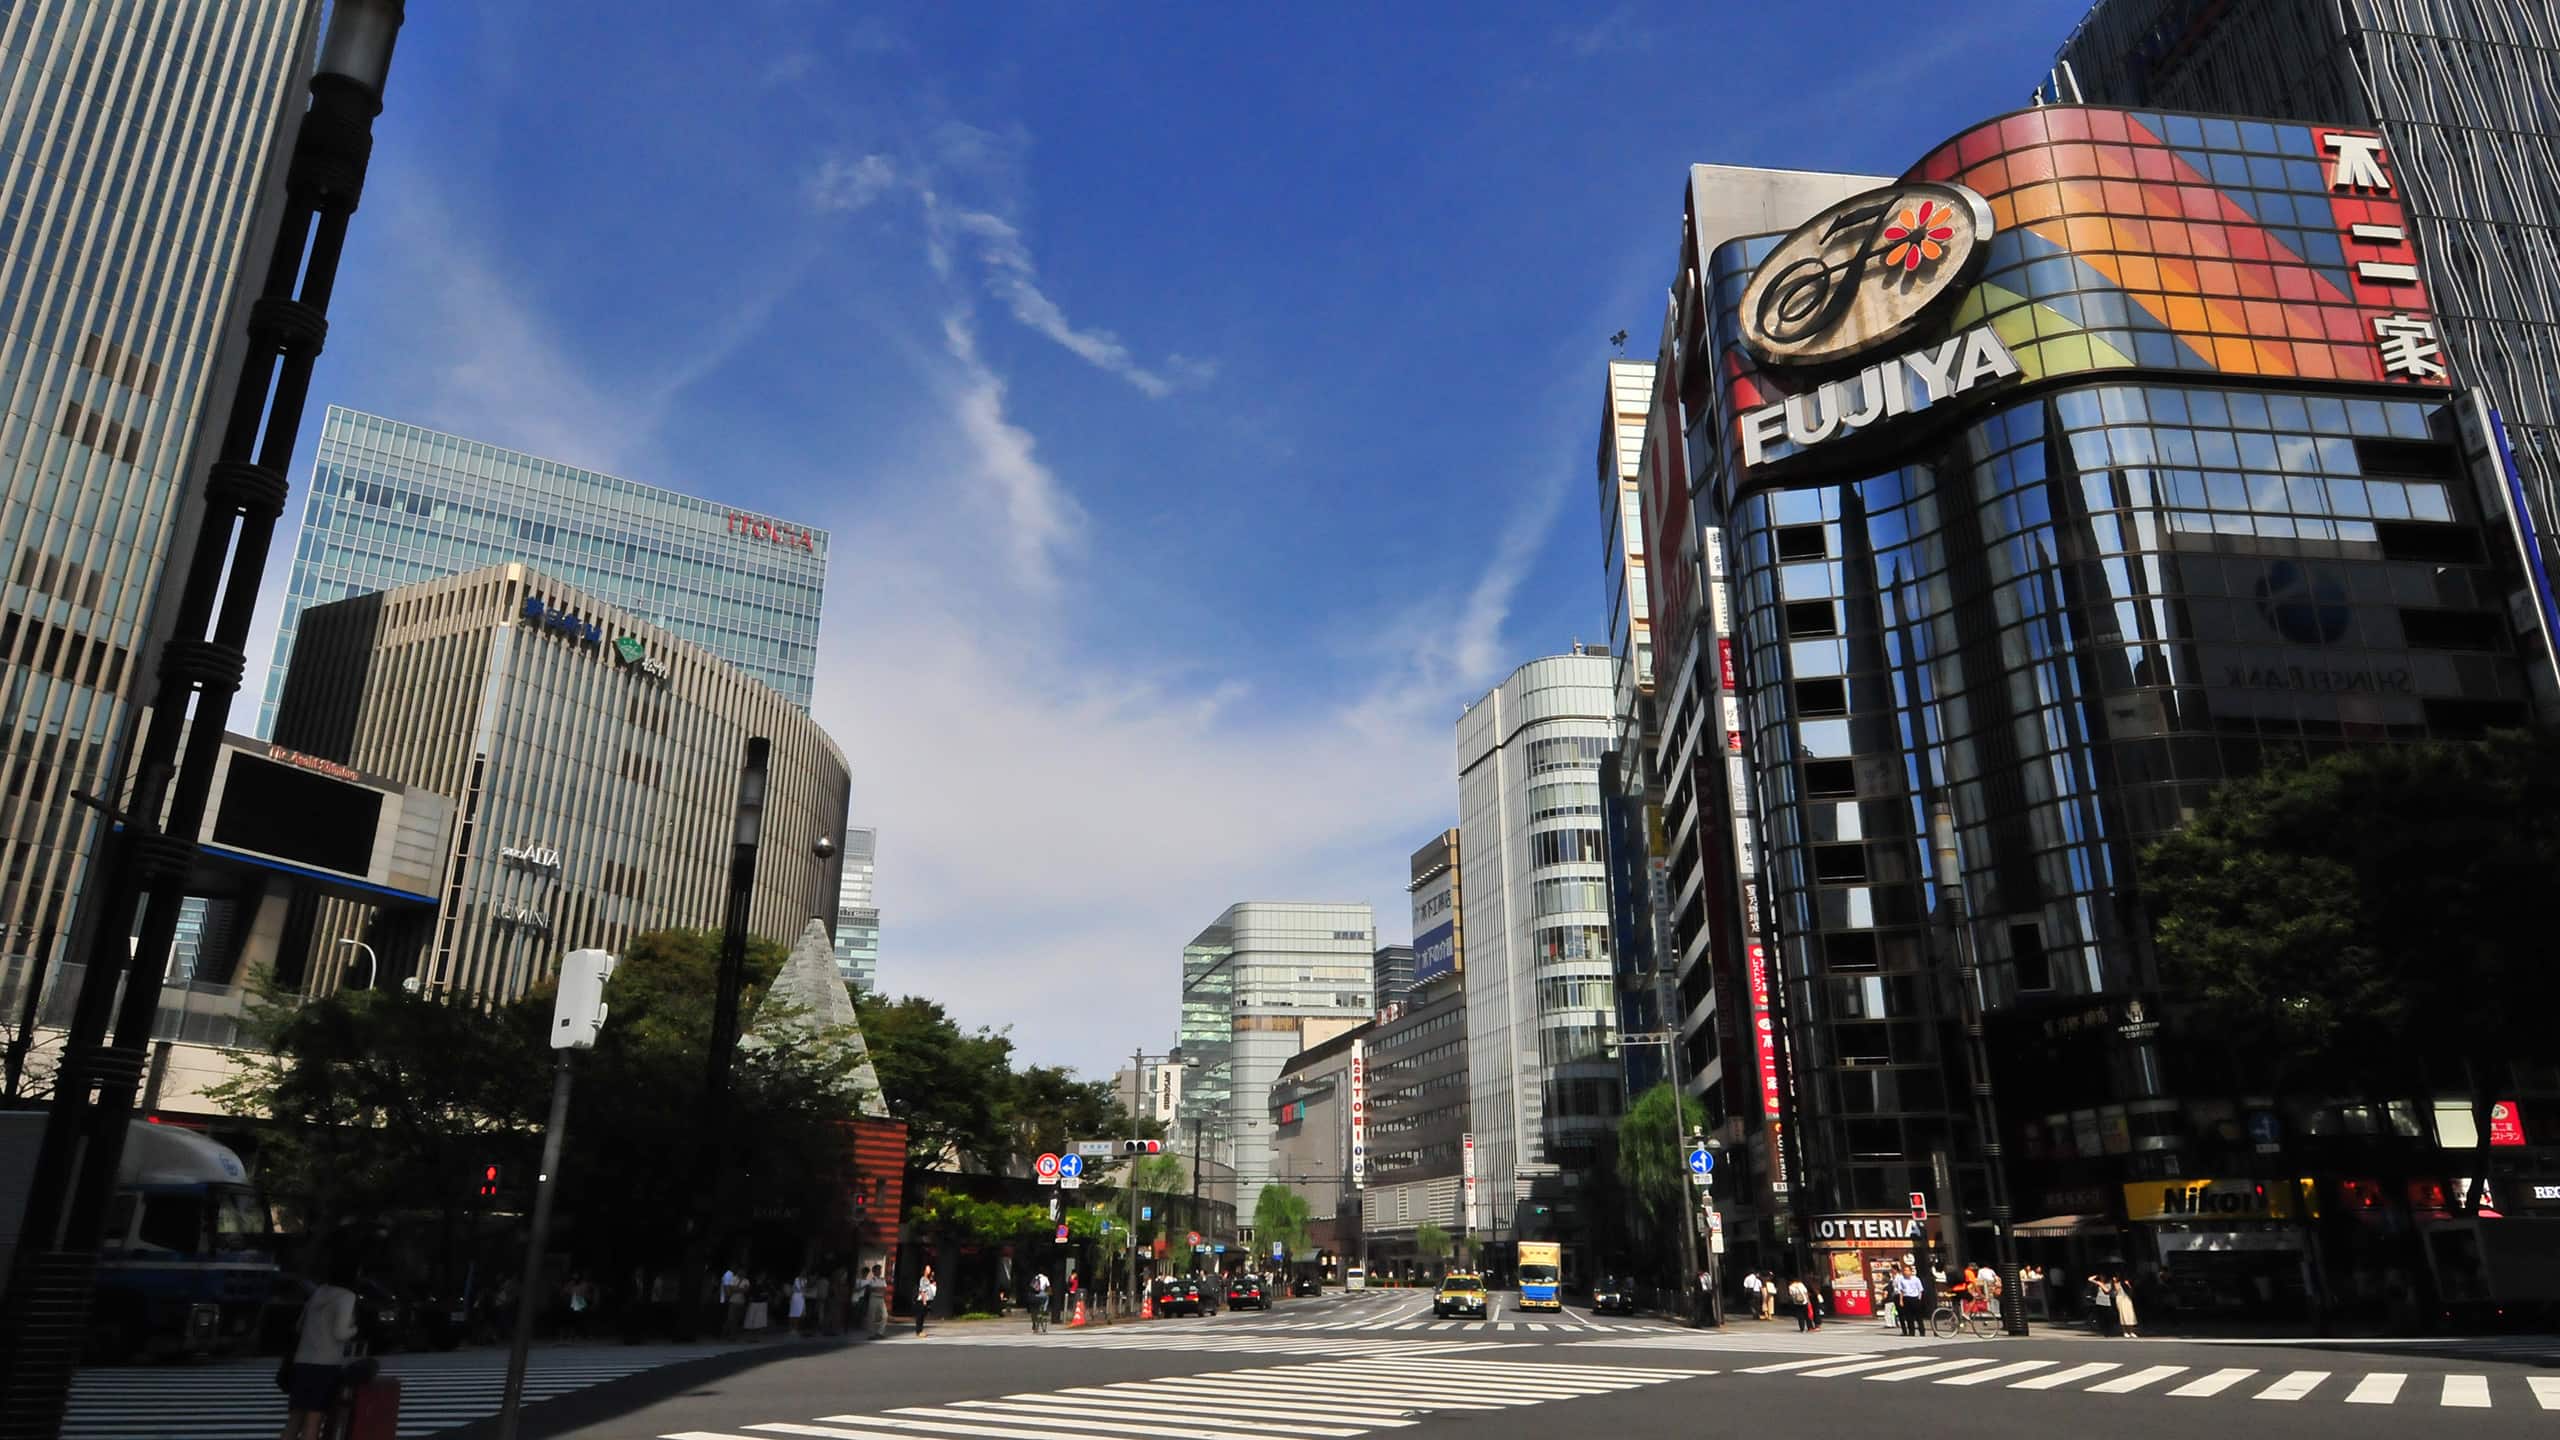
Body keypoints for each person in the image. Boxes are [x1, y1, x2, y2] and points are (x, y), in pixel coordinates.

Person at [283, 1258, 360, 1440]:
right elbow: (340, 1333)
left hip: (302, 1361)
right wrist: (355, 1329)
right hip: (325, 1364)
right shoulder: (346, 1296)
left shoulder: (319, 1292)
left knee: (295, 1418)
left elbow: (299, 1326)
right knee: (314, 1418)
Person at [914, 1265, 938, 1337]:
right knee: (920, 1316)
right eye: (928, 1269)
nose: (929, 1271)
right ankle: (918, 1331)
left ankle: (920, 1331)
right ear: (924, 1270)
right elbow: (922, 1290)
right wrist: (924, 1302)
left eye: (930, 1269)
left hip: (927, 1300)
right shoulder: (923, 1279)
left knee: (922, 1316)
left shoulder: (928, 1280)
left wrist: (932, 1284)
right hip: (922, 1300)